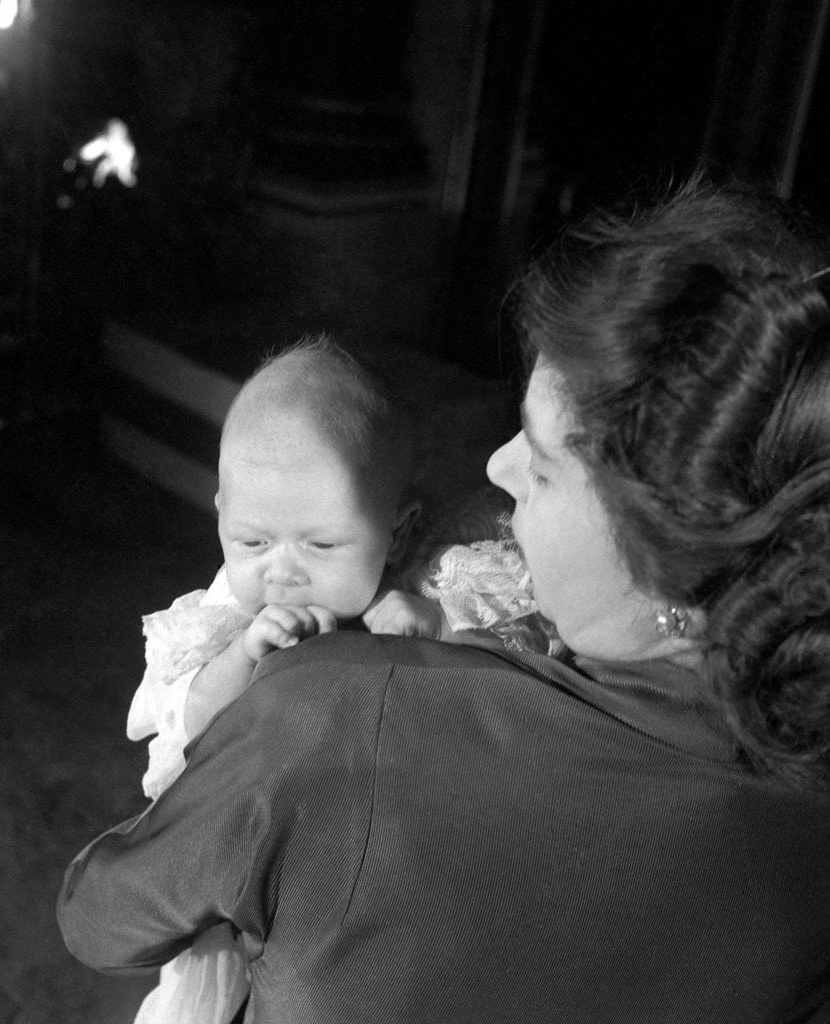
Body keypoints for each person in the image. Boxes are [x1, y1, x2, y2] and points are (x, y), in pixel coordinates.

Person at [58, 180, 830, 1023]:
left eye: (538, 463)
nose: (496, 469)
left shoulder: (333, 720)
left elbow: (100, 917)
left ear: (666, 549)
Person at [124, 335, 555, 1024]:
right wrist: (242, 658)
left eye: (321, 544)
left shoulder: (432, 584)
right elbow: (179, 727)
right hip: (244, 863)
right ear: (220, 518)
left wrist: (434, 630)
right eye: (251, 542)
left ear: (399, 528)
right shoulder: (230, 614)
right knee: (203, 996)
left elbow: (521, 674)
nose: (282, 570)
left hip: (388, 869)